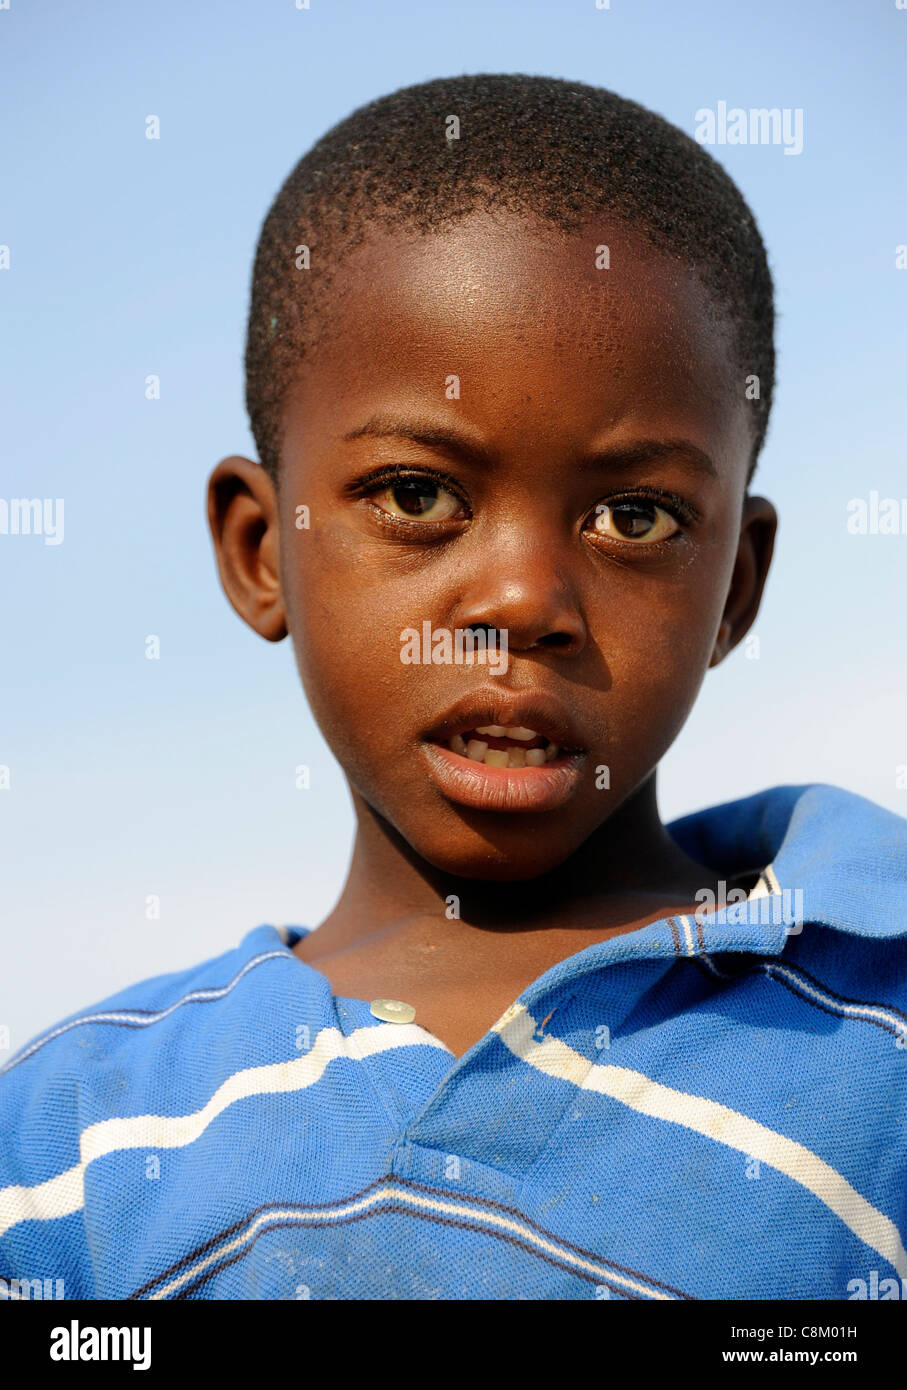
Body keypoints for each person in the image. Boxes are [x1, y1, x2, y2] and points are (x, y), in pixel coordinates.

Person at [2, 74, 904, 1301]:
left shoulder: (881, 1036)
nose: (525, 601)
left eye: (634, 516)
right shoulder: (69, 1136)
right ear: (264, 552)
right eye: (418, 496)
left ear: (734, 589)